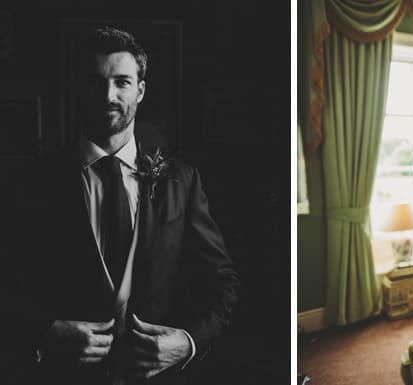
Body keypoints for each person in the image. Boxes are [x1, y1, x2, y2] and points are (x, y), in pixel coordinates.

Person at [7, 26, 240, 384]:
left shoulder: (182, 180)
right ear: (77, 88)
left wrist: (189, 341)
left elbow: (222, 282)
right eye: (94, 82)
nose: (108, 95)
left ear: (140, 90)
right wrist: (45, 333)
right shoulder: (32, 182)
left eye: (122, 82)